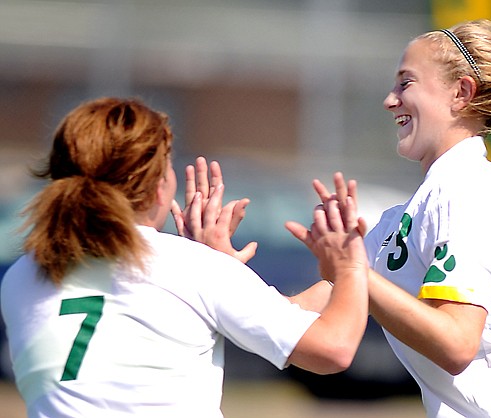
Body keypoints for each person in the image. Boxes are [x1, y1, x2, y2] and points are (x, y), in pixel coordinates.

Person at [286, 19, 491, 417]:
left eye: (405, 83)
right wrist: (217, 275)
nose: (389, 100)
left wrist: (355, 272)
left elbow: (456, 344)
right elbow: (302, 313)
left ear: (461, 93)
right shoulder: (407, 216)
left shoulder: (468, 193)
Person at [0, 97, 369, 417]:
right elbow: (332, 349)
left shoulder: (21, 275)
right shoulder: (188, 266)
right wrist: (352, 266)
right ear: (160, 187)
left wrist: (223, 277)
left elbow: (271, 321)